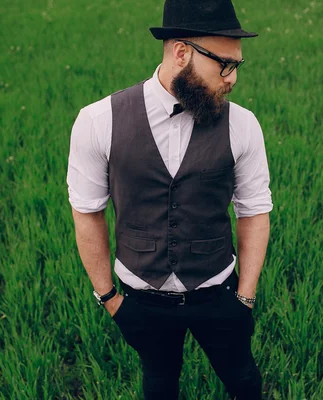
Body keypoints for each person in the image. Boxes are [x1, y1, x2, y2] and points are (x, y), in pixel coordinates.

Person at [66, 0, 272, 398]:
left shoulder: (243, 125)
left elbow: (254, 212)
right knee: (159, 385)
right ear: (182, 52)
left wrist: (244, 298)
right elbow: (87, 212)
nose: (232, 79)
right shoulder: (98, 120)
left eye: (237, 66)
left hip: (219, 292)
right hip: (142, 297)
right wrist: (110, 299)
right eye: (224, 64)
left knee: (244, 380)